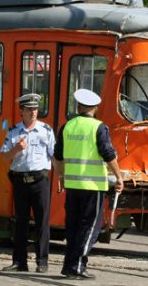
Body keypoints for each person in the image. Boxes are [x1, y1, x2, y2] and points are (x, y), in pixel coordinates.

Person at [54, 89, 124, 280]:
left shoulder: (67, 126)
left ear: (78, 106)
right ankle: (77, 267)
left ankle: (69, 266)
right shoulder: (98, 127)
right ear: (95, 107)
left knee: (73, 227)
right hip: (93, 187)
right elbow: (108, 154)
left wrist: (61, 176)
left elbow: (58, 156)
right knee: (90, 228)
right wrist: (118, 177)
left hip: (72, 186)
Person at [0, 93, 56, 273]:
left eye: (35, 109)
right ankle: (19, 262)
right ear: (21, 111)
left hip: (40, 180)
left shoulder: (46, 130)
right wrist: (16, 148)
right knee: (21, 222)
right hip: (20, 181)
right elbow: (4, 156)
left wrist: (60, 177)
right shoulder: (14, 131)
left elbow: (54, 156)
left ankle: (42, 262)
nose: (33, 112)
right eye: (29, 109)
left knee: (42, 222)